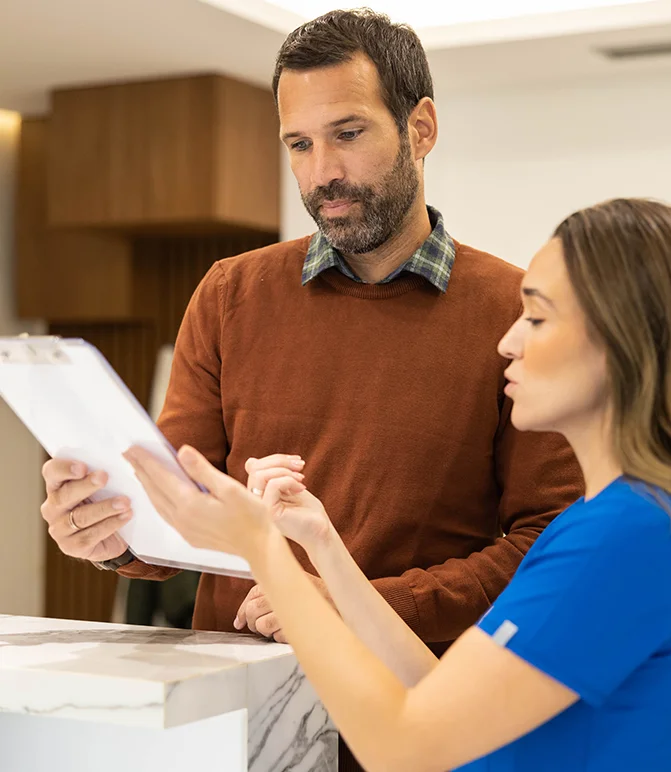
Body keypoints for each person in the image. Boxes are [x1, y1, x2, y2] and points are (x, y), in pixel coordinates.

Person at [39, 10, 581, 770]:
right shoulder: (229, 293)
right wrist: (110, 536)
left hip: (413, 716)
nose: (321, 169)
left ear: (420, 127)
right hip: (235, 714)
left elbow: (545, 546)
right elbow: (179, 505)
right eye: (298, 143)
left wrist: (354, 606)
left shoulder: (515, 311)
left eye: (348, 133)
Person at [126, 197, 671, 771]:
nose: (509, 342)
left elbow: (403, 749)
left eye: (537, 317)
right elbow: (433, 691)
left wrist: (264, 550)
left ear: (626, 344)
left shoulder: (627, 538)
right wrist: (322, 544)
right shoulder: (618, 520)